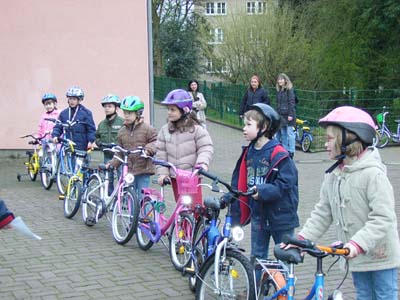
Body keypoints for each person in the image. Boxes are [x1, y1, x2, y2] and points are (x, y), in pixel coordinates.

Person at [294, 106, 400, 300]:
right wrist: (301, 240)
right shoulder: (334, 175)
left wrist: (356, 244)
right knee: (364, 295)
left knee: (385, 296)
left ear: (348, 140)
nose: (325, 144)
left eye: (329, 139)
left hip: (380, 255)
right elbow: (323, 212)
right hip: (356, 256)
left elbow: (383, 217)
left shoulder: (373, 174)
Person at [227, 103, 299, 266]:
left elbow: (286, 184)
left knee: (284, 258)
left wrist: (263, 191)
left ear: (264, 127)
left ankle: (283, 290)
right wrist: (230, 196)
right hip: (258, 214)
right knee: (257, 257)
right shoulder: (249, 152)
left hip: (281, 217)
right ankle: (256, 289)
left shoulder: (279, 154)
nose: (244, 128)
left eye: (248, 124)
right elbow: (241, 181)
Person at [156, 89, 213, 191]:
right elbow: (161, 154)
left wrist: (202, 163)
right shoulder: (165, 130)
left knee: (194, 206)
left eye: (173, 110)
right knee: (180, 205)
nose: (169, 112)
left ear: (184, 110)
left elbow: (205, 148)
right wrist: (163, 174)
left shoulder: (196, 129)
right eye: (168, 109)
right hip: (175, 177)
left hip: (191, 177)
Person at [107, 96, 157, 199]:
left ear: (138, 113)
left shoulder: (148, 129)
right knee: (129, 196)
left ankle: (144, 215)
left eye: (129, 113)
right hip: (129, 170)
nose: (126, 116)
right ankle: (131, 214)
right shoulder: (122, 132)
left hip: (143, 169)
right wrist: (112, 164)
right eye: (125, 113)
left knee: (143, 197)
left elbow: (155, 142)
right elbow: (119, 152)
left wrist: (148, 150)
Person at [52, 86, 96, 151]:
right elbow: (58, 127)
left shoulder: (86, 113)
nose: (72, 101)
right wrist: (55, 135)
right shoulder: (63, 113)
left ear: (79, 100)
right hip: (67, 145)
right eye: (70, 99)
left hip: (81, 146)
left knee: (81, 161)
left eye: (74, 99)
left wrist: (90, 141)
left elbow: (91, 129)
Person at [95, 94, 124, 194]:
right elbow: (97, 137)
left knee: (122, 178)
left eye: (110, 106)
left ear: (116, 108)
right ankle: (109, 199)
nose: (107, 109)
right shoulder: (101, 124)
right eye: (105, 106)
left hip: (120, 156)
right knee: (108, 179)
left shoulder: (122, 123)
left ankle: (122, 199)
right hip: (107, 155)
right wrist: (100, 144)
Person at [275, 73, 296, 158]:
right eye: (279, 79)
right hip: (281, 115)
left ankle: (291, 151)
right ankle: (285, 150)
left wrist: (291, 114)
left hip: (289, 114)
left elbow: (291, 102)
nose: (280, 81)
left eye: (281, 79)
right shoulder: (279, 90)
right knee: (283, 133)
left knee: (290, 133)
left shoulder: (289, 90)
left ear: (285, 80)